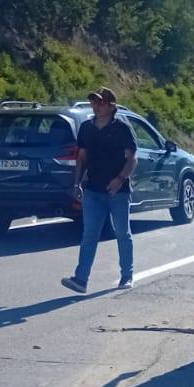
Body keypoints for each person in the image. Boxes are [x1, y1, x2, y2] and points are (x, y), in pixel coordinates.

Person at [61, 87, 137, 293]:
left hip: (117, 192)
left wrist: (120, 179)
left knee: (122, 233)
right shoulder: (86, 128)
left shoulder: (122, 128)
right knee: (89, 235)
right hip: (93, 190)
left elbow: (132, 159)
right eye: (94, 102)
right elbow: (81, 157)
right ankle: (80, 279)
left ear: (111, 106)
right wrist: (76, 182)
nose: (96, 106)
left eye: (100, 102)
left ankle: (127, 276)